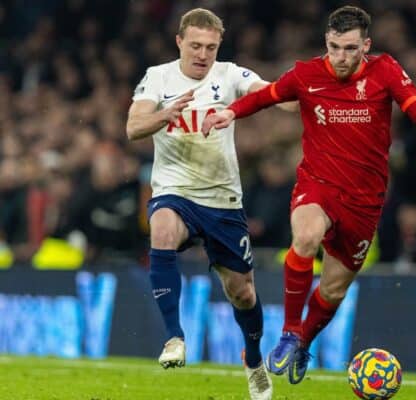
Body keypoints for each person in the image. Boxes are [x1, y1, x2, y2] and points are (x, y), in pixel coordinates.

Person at [202, 5, 416, 384]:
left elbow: (410, 97)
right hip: (318, 184)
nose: (342, 57)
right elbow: (268, 95)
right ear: (326, 43)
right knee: (305, 236)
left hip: (365, 200)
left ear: (366, 45)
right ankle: (287, 333)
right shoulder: (307, 74)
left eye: (351, 48)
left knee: (333, 290)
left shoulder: (384, 70)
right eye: (335, 47)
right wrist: (230, 113)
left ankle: (304, 340)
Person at [125, 8, 287, 400]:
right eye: (195, 45)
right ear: (179, 41)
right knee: (161, 228)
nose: (202, 54)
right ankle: (174, 338)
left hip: (223, 201)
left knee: (242, 293)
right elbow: (132, 128)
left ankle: (252, 359)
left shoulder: (230, 75)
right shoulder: (158, 77)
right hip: (175, 192)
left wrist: (309, 92)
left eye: (210, 47)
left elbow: (276, 96)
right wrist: (166, 114)